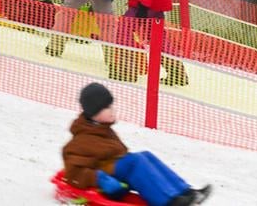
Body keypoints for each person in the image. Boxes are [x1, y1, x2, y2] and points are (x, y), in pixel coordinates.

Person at [62, 82, 211, 206]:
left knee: (145, 155)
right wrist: (99, 178)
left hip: (117, 173)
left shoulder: (102, 129)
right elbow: (73, 173)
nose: (112, 110)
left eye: (111, 106)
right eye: (106, 108)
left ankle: (185, 191)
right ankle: (169, 201)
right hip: (109, 183)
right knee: (135, 161)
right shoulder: (81, 140)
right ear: (94, 113)